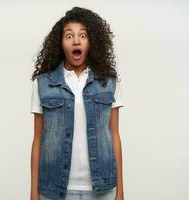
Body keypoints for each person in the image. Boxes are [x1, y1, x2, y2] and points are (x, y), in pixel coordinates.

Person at [30, 7, 124, 200]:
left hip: (102, 189)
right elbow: (38, 139)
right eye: (69, 35)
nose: (76, 40)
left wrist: (120, 191)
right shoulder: (42, 84)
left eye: (83, 35)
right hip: (53, 190)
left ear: (92, 42)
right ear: (61, 43)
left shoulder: (109, 82)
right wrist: (33, 193)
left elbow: (114, 135)